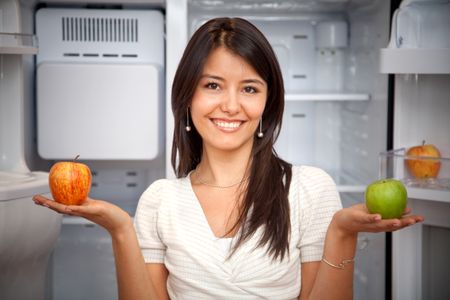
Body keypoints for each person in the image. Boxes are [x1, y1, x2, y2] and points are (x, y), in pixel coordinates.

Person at [33, 17, 423, 300]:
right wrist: (121, 229)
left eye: (249, 88)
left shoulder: (308, 189)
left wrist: (342, 234)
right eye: (213, 85)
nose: (231, 105)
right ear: (188, 97)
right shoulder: (160, 201)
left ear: (267, 104)